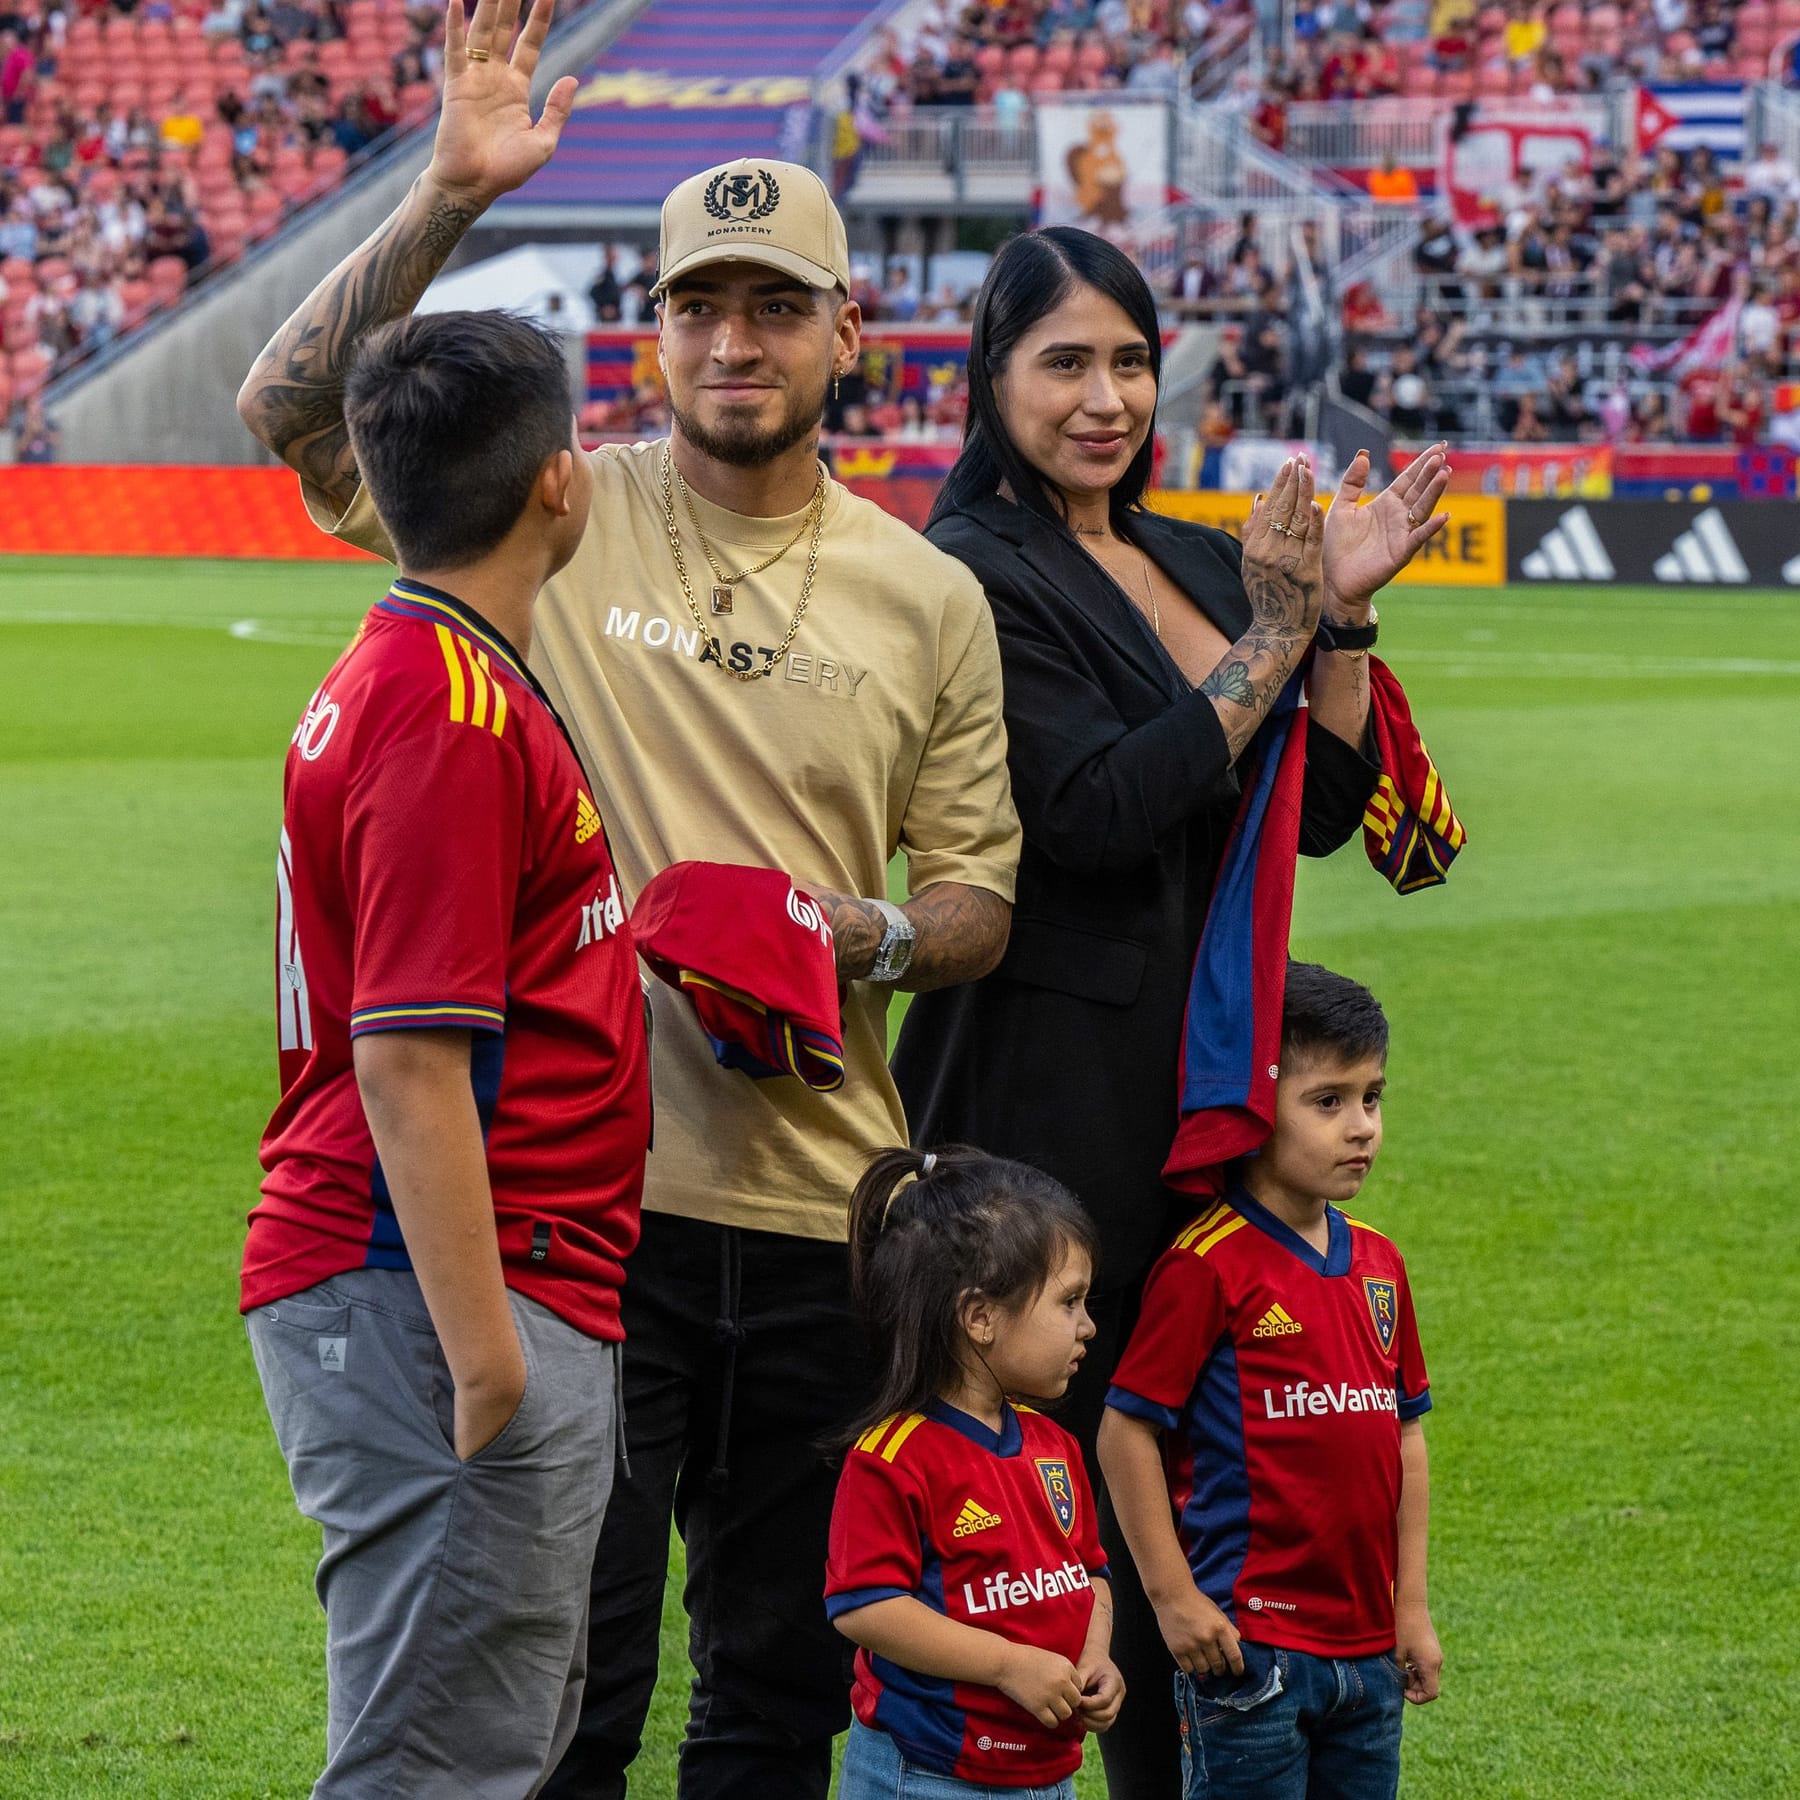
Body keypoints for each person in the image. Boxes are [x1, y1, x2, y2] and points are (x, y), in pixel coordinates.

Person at [235, 5, 1022, 1794]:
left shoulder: (926, 594)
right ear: (648, 330)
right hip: (581, 1211)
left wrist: (865, 934)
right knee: (560, 1692)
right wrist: (440, 198)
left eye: (771, 307)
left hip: (828, 1204)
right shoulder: (553, 509)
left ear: (846, 332)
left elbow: (975, 893)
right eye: (696, 306)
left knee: (776, 1688)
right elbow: (287, 414)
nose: (731, 343)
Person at [890, 225, 1450, 1800]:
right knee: (1038, 1499)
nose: (1106, 396)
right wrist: (1279, 633)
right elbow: (1089, 809)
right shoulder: (971, 573)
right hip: (1048, 1097)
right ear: (989, 380)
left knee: (1197, 1488)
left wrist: (1335, 619)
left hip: (1211, 1085)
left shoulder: (1206, 556)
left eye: (1129, 360)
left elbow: (1323, 801)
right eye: (1063, 361)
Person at [241, 309, 653, 1797]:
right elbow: (408, 1059)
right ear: (560, 482)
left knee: (499, 1745)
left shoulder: (427, 667)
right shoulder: (449, 706)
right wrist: (489, 1363)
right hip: (440, 1296)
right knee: (439, 1767)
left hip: (484, 1282)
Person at [1098, 963, 1440, 1800]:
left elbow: (1405, 1436)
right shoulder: (1206, 1266)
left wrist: (1413, 1606)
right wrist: (1174, 1601)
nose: (1360, 1127)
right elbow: (1124, 1432)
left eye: (1372, 1098)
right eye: (1327, 1102)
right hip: (1251, 1653)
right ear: (1254, 1105)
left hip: (1368, 1657)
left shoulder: (1381, 1264)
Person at [825, 1147, 1123, 1800]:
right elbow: (866, 1608)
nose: (1088, 1325)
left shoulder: (1055, 1447)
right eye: (1069, 1302)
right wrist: (1009, 1665)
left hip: (1047, 1775)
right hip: (929, 1774)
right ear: (980, 1316)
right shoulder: (893, 1456)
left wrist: (1096, 1656)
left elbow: (1090, 1574)